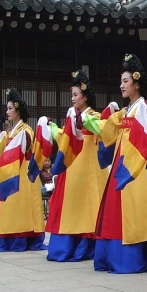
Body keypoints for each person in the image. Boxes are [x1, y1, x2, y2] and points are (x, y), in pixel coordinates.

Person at [82, 55, 147, 274]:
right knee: (119, 208)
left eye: (125, 81)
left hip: (140, 167)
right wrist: (86, 120)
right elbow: (106, 128)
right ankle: (119, 254)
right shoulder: (125, 112)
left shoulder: (146, 108)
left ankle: (140, 255)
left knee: (140, 211)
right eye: (121, 81)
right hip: (122, 161)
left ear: (137, 83)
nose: (121, 85)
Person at [44, 71, 109, 262]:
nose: (72, 98)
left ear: (85, 96)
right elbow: (65, 139)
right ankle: (70, 244)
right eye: (71, 95)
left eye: (75, 95)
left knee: (89, 206)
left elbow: (104, 130)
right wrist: (53, 127)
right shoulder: (72, 117)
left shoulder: (94, 117)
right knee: (71, 206)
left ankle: (87, 246)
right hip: (73, 167)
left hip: (89, 168)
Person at [0, 89, 45, 252]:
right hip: (10, 171)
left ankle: (20, 238)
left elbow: (9, 149)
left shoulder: (25, 131)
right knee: (10, 205)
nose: (7, 112)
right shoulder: (11, 132)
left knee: (20, 206)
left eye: (10, 108)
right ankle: (7, 235)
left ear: (18, 110)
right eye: (7, 108)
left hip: (22, 174)